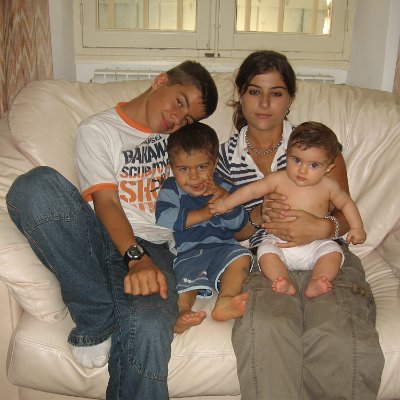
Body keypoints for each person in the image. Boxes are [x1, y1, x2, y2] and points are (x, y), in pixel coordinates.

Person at [6, 61, 218, 400]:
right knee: (35, 186)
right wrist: (136, 258)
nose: (178, 119)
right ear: (160, 81)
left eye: (189, 119)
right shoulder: (99, 130)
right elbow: (106, 202)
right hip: (98, 237)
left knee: (149, 325)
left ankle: (112, 312)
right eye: (179, 102)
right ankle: (97, 316)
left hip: (157, 247)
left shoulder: (178, 143)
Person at [216, 50, 384, 399]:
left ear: (290, 98)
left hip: (326, 255)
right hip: (268, 260)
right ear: (240, 94)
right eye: (254, 91)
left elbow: (343, 209)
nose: (265, 103)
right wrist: (258, 215)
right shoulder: (222, 158)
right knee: (267, 328)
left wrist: (324, 229)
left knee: (338, 334)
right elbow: (228, 231)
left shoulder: (318, 146)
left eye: (276, 93)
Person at [211, 121, 366, 298]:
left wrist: (357, 227)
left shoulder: (329, 186)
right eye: (296, 160)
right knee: (265, 251)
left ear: (328, 167)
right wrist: (226, 204)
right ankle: (282, 281)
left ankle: (317, 281)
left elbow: (346, 204)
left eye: (314, 165)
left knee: (332, 252)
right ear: (287, 154)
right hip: (279, 242)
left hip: (315, 242)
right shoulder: (278, 179)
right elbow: (251, 191)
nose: (302, 170)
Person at [155, 122, 252, 334]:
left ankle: (226, 300)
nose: (194, 177)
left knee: (242, 257)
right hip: (189, 252)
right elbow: (164, 217)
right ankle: (182, 313)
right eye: (183, 169)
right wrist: (205, 213)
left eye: (201, 167)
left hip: (224, 249)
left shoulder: (225, 187)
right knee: (184, 280)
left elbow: (238, 224)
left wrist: (227, 204)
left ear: (214, 163)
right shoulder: (171, 188)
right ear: (172, 168)